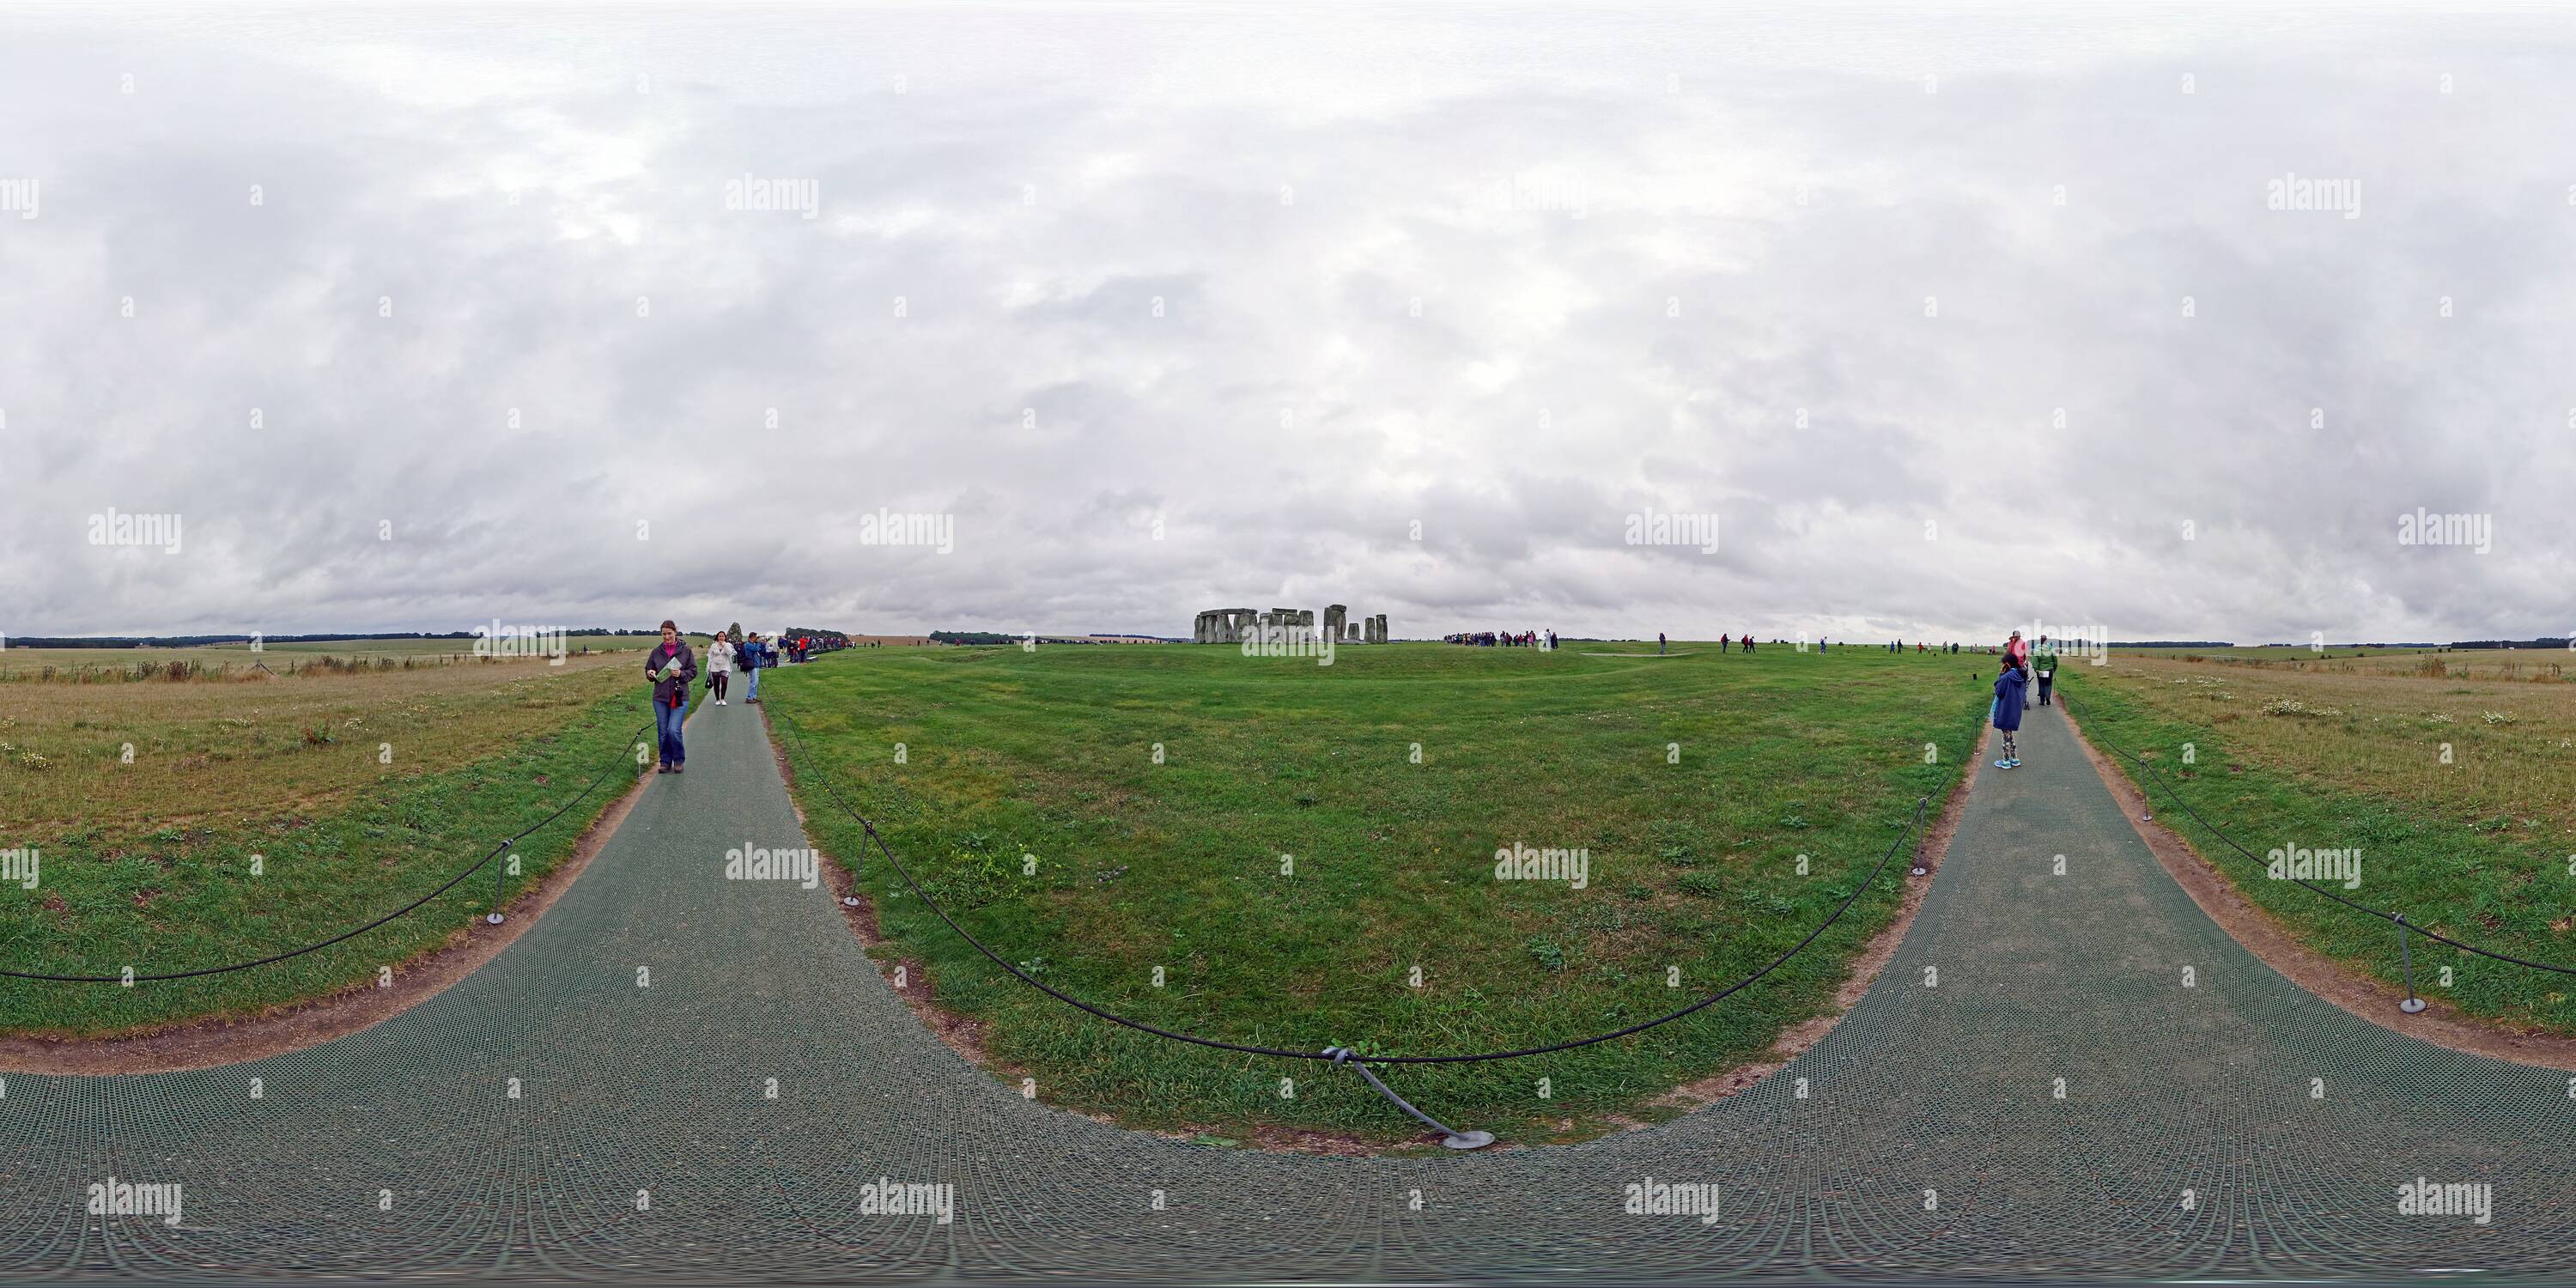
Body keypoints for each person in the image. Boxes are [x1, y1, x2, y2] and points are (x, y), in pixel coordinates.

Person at [646, 620, 697, 774]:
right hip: (660, 697)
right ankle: (665, 761)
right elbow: (649, 668)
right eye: (664, 634)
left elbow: (693, 671)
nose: (667, 637)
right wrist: (650, 674)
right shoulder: (656, 652)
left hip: (680, 696)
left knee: (673, 730)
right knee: (662, 732)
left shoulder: (686, 651)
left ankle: (679, 760)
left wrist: (681, 674)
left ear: (676, 632)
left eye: (669, 633)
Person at [1991, 657, 2028, 769]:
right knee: (2009, 734)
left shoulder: (2006, 677)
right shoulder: (2021, 676)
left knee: (2005, 736)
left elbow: (1998, 691)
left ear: (2007, 664)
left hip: (2005, 710)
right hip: (2015, 711)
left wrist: (2002, 675)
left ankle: (2006, 761)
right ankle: (2015, 758)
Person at [2032, 634, 2058, 707]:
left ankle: (2042, 700)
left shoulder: (2037, 648)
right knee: (2048, 684)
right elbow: (2055, 659)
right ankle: (2048, 699)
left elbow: (2035, 660)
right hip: (2049, 669)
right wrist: (2055, 667)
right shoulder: (2050, 648)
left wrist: (2036, 669)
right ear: (2046, 640)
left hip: (2041, 670)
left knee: (2042, 685)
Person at [740, 631, 762, 703]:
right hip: (752, 665)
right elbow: (756, 649)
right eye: (756, 637)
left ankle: (753, 697)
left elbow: (760, 649)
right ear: (752, 637)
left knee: (756, 682)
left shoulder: (752, 644)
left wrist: (758, 643)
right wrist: (758, 643)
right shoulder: (748, 645)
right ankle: (749, 697)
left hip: (756, 664)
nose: (757, 639)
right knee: (753, 682)